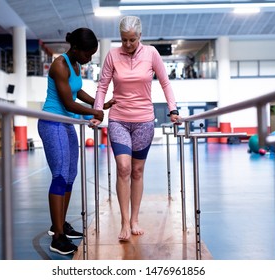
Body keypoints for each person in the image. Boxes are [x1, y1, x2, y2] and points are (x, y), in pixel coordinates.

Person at [91, 16, 180, 241]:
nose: (128, 45)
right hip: (119, 119)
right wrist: (97, 112)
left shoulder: (151, 54)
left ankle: (135, 219)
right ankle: (123, 221)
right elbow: (102, 86)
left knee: (137, 171)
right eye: (124, 40)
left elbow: (165, 82)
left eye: (132, 40)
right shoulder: (112, 55)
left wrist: (173, 110)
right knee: (123, 168)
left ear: (140, 36)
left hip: (144, 121)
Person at [38, 27, 114, 255]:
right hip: (52, 122)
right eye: (88, 54)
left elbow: (77, 92)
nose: (89, 59)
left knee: (70, 175)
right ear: (76, 48)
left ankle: (59, 224)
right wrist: (95, 112)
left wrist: (100, 105)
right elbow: (69, 103)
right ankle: (58, 237)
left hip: (67, 123)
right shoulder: (59, 65)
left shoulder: (76, 65)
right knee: (60, 174)